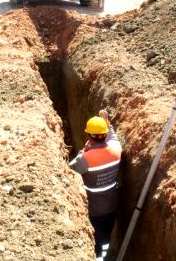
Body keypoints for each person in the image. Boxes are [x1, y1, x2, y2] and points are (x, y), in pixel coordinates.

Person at [69, 110, 122, 258]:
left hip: (94, 209)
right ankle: (105, 253)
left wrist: (84, 151)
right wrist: (107, 123)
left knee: (96, 240)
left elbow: (68, 170)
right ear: (104, 134)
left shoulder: (84, 158)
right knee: (106, 235)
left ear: (88, 136)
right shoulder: (116, 150)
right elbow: (113, 137)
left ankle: (98, 257)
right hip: (112, 204)